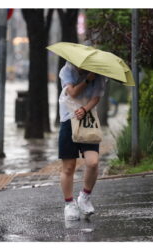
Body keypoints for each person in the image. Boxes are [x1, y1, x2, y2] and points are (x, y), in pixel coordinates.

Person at [58, 61, 106, 221]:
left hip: (88, 121)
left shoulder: (98, 73)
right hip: (68, 120)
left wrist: (85, 109)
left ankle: (84, 196)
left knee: (92, 162)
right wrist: (87, 80)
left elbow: (96, 97)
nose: (82, 68)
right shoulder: (67, 70)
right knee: (69, 166)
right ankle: (69, 204)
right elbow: (72, 93)